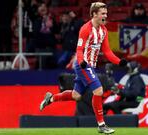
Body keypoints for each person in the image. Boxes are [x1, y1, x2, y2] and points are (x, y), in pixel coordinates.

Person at [39, 2, 127, 134]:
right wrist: (81, 62)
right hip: (83, 65)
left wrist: (119, 62)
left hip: (89, 66)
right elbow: (79, 50)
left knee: (76, 96)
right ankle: (101, 125)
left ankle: (51, 98)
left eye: (106, 13)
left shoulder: (103, 30)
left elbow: (107, 52)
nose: (105, 16)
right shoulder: (86, 29)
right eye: (103, 13)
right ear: (94, 14)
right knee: (98, 91)